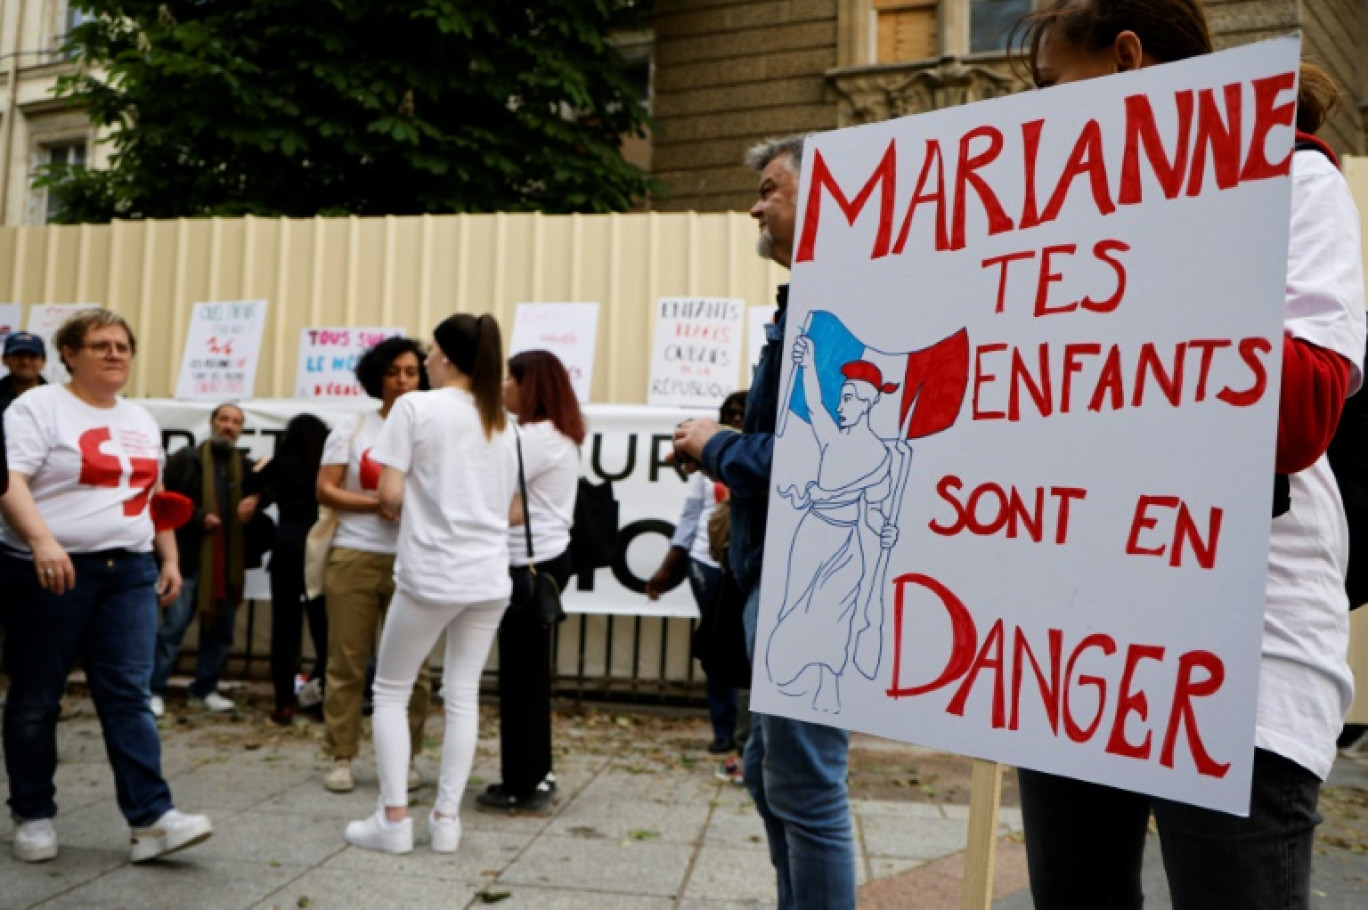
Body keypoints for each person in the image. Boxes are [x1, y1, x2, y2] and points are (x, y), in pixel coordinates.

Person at [1007, 3, 1366, 908]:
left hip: (1237, 653)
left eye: (1051, 88)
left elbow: (1299, 412)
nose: (1037, 116)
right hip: (1079, 641)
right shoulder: (1050, 221)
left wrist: (1150, 241)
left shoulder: (1290, 182)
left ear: (1129, 61)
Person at [674, 135, 859, 910]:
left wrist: (713, 445)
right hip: (777, 580)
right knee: (765, 771)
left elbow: (816, 460)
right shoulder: (809, 305)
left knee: (808, 790)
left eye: (772, 188)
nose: (755, 203)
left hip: (810, 586)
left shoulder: (841, 308)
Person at [0, 309, 213, 863]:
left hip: (130, 571)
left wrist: (167, 557)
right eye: (100, 344)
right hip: (48, 571)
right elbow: (10, 480)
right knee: (36, 697)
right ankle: (33, 813)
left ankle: (151, 818)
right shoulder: (38, 407)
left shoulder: (139, 418)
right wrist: (43, 541)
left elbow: (153, 494)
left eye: (123, 345)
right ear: (69, 353)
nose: (115, 353)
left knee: (128, 696)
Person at [344, 313, 515, 855]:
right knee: (462, 693)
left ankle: (393, 819)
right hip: (489, 575)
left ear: (443, 355)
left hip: (432, 571)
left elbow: (389, 494)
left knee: (391, 689)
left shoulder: (415, 408)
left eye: (431, 353)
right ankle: (446, 821)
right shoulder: (502, 420)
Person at [318, 336, 430, 792]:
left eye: (410, 371)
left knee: (415, 668)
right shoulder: (352, 426)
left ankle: (408, 757)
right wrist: (375, 504)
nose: (402, 381)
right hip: (356, 555)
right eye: (392, 372)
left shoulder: (431, 428)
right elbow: (325, 490)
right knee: (347, 660)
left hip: (415, 556)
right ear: (376, 378)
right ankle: (342, 755)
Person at [475, 349, 584, 815]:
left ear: (529, 386)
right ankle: (526, 775)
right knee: (525, 678)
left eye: (510, 381)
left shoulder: (535, 438)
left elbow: (489, 487)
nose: (503, 390)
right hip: (541, 563)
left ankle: (528, 779)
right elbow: (515, 504)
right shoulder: (556, 433)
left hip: (529, 568)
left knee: (523, 681)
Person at [648, 391, 748, 757]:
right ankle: (723, 732)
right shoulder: (707, 462)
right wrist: (668, 567)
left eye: (742, 414)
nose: (735, 420)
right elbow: (691, 517)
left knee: (745, 652)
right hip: (707, 563)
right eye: (728, 414)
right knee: (717, 647)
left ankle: (745, 735)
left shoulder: (756, 457)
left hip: (745, 564)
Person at [150, 403, 259, 715]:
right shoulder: (188, 460)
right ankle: (154, 689)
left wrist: (257, 497)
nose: (229, 426)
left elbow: (272, 488)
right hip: (186, 560)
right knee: (173, 628)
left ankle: (205, 689)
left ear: (241, 429)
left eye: (236, 422)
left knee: (220, 631)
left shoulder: (246, 466)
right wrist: (198, 517)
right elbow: (162, 500)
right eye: (224, 419)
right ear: (212, 424)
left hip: (225, 567)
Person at [253, 412, 331, 725]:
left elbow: (248, 485)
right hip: (317, 551)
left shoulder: (281, 464)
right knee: (324, 629)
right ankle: (320, 695)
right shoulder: (324, 469)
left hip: (285, 551)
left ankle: (283, 702)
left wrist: (260, 470)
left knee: (284, 631)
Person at [1, 331, 47, 416]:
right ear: (4, 359)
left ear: (43, 361)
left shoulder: (56, 399)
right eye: (19, 355)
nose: (25, 362)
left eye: (32, 356)